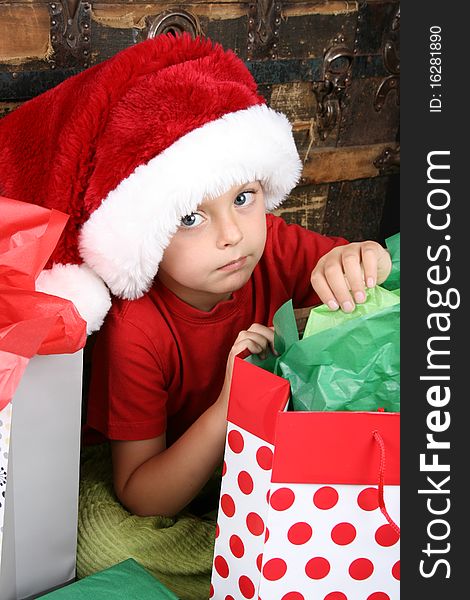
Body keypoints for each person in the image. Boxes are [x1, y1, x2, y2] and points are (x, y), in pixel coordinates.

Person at [0, 33, 391, 521]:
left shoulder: (270, 243)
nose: (232, 234)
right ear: (147, 234)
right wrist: (231, 403)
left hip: (262, 460)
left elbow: (362, 285)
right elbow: (141, 493)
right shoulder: (137, 329)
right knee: (104, 536)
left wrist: (363, 258)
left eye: (244, 197)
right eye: (190, 218)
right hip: (170, 467)